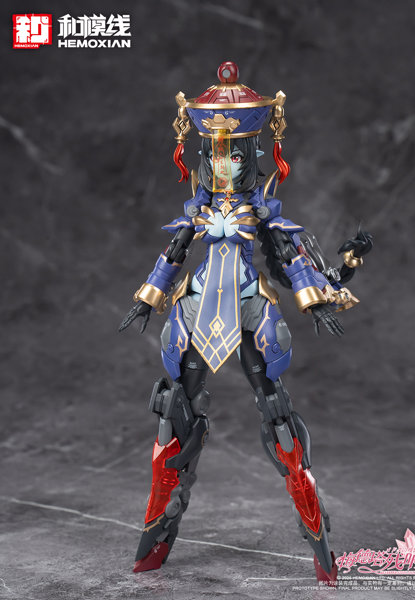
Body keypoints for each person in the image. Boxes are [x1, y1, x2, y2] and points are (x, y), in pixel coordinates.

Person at [120, 61, 372, 585]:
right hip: (196, 308)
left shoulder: (263, 213)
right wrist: (147, 298)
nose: (222, 162)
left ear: (251, 155)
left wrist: (321, 297)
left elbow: (290, 261)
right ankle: (157, 531)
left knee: (277, 414)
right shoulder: (198, 210)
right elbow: (172, 255)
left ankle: (317, 539)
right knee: (175, 412)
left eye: (232, 153)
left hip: (251, 307)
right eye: (215, 152)